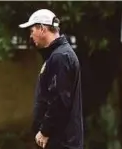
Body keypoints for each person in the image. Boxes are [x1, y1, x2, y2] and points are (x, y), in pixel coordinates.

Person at [19, 9, 83, 149]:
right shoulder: (57, 55)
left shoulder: (60, 57)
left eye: (32, 31)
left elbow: (59, 100)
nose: (31, 36)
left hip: (61, 142)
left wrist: (45, 131)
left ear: (42, 29)